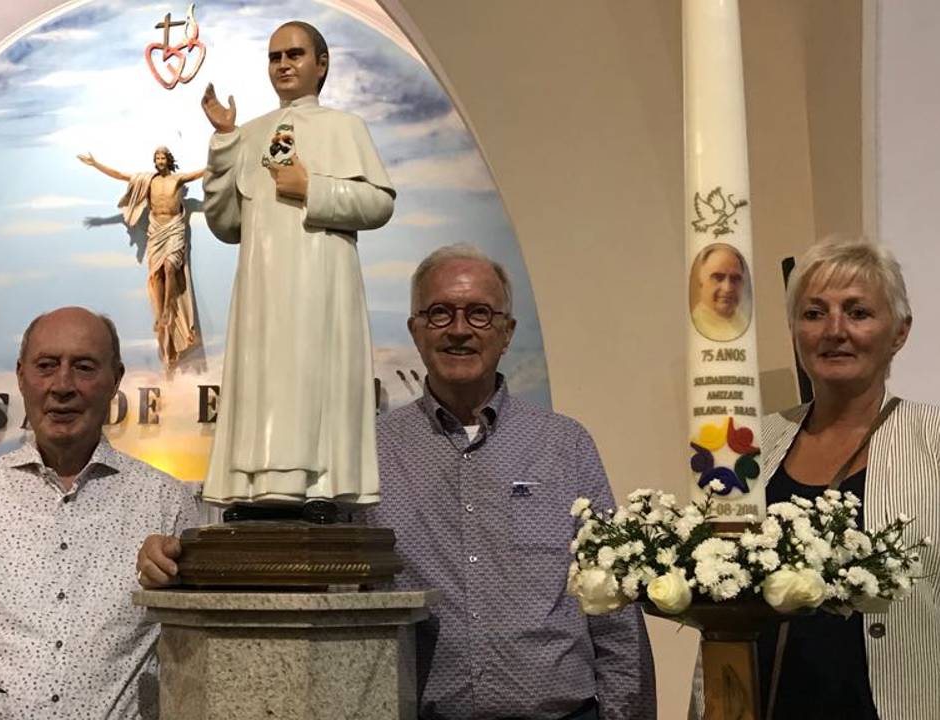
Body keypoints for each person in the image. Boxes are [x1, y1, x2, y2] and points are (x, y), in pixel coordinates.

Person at [138, 245, 656, 719]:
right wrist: (187, 561)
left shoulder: (564, 445)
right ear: (415, 330)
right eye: (439, 313)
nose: (459, 329)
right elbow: (297, 558)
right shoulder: (365, 454)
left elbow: (614, 609)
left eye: (479, 313)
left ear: (507, 331)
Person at [691, 237, 940, 719]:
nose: (835, 330)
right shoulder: (748, 444)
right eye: (814, 313)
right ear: (794, 331)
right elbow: (715, 600)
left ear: (900, 332)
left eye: (859, 312)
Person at [0, 307, 200, 719]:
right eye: (46, 366)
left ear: (115, 379)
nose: (63, 385)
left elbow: (195, 659)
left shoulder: (167, 502)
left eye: (84, 367)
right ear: (21, 376)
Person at [199, 20, 395, 512]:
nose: (283, 65)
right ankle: (258, 487)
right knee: (264, 378)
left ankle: (316, 485)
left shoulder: (344, 127)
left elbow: (378, 203)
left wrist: (314, 189)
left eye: (294, 54)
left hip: (319, 281)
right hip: (263, 287)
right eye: (274, 57)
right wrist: (224, 142)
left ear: (321, 64)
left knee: (312, 377)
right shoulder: (249, 135)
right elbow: (225, 223)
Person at [78, 148, 205, 369]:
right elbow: (119, 175)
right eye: (157, 158)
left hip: (174, 228)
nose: (160, 161)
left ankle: (167, 310)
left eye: (163, 157)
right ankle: (160, 314)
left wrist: (226, 151)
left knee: (169, 267)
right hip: (156, 230)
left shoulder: (178, 179)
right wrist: (96, 164)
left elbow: (204, 171)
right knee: (156, 275)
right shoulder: (147, 181)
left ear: (169, 160)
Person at [690, 243, 751, 341]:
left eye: (735, 279)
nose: (727, 288)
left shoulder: (744, 324)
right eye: (718, 278)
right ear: (701, 282)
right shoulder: (695, 327)